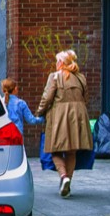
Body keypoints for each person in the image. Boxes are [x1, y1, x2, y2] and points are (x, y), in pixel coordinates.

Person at [36, 49, 92, 198]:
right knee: (71, 151)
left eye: (57, 61)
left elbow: (47, 98)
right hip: (78, 117)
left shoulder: (54, 77)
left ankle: (63, 176)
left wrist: (39, 112)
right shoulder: (81, 78)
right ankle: (68, 182)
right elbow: (86, 98)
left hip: (59, 117)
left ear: (61, 63)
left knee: (54, 149)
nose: (56, 64)